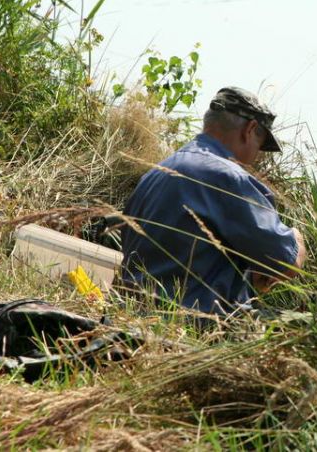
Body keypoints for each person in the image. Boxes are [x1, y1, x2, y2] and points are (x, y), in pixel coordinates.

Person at [119, 86, 306, 315]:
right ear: (250, 129)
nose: (257, 157)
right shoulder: (229, 178)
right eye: (260, 146)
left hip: (130, 311)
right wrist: (296, 238)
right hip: (193, 324)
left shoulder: (157, 172)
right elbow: (284, 262)